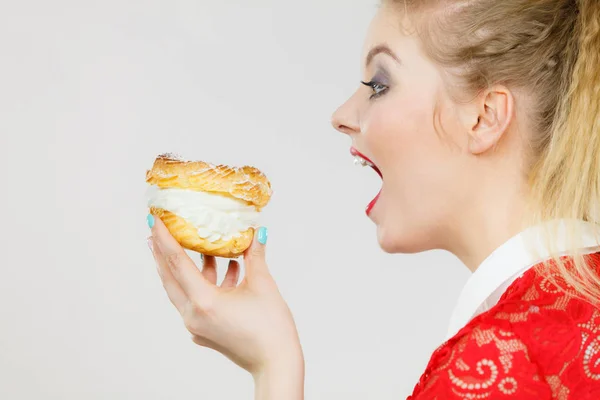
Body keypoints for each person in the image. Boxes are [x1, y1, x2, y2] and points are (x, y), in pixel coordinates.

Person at [146, 0, 600, 398]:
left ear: (484, 118)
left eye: (379, 84)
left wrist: (272, 368)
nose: (341, 116)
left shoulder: (493, 362)